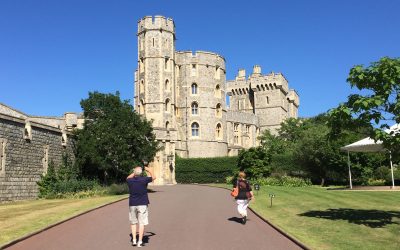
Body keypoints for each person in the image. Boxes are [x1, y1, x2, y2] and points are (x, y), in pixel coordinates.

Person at [127, 162, 156, 247]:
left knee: (133, 223)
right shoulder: (144, 179)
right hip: (142, 204)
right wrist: (149, 170)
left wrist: (135, 171)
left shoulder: (130, 180)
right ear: (141, 173)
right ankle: (140, 241)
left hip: (132, 204)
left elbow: (128, 177)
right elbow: (154, 177)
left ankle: (134, 240)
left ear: (134, 173)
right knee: (141, 223)